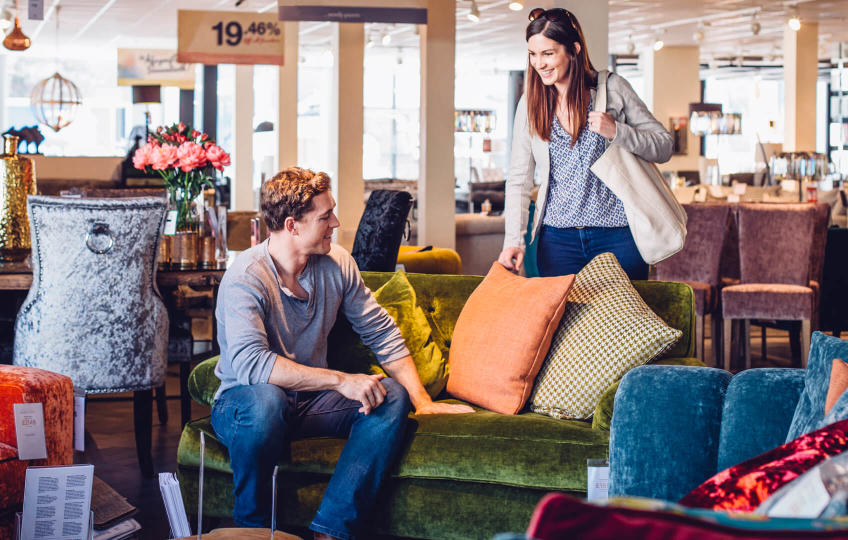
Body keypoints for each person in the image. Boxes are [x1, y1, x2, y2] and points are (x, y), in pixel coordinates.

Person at [211, 167, 473, 540]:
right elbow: (253, 365)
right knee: (266, 402)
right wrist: (340, 380)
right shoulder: (246, 277)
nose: (336, 222)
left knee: (389, 396)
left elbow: (379, 331)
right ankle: (253, 530)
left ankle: (332, 529)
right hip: (244, 405)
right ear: (292, 225)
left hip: (309, 402)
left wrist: (423, 399)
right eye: (325, 216)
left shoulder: (337, 263)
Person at [497, 7, 674, 280]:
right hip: (557, 241)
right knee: (563, 323)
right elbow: (519, 178)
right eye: (533, 54)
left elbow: (664, 146)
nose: (539, 63)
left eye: (548, 54)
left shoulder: (613, 89)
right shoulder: (531, 104)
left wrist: (617, 131)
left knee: (621, 322)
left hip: (618, 238)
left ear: (574, 50)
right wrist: (513, 240)